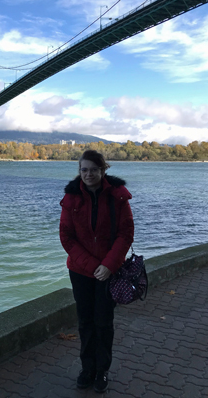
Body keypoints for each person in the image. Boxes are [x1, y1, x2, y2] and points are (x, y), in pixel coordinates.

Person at [59, 150, 134, 393]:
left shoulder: (118, 197)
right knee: (85, 322)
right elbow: (66, 237)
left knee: (103, 323)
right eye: (84, 170)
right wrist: (93, 266)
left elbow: (126, 234)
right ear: (79, 171)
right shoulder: (71, 199)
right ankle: (87, 368)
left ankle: (102, 371)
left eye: (94, 169)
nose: (89, 174)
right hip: (81, 272)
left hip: (108, 272)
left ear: (103, 170)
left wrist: (109, 265)